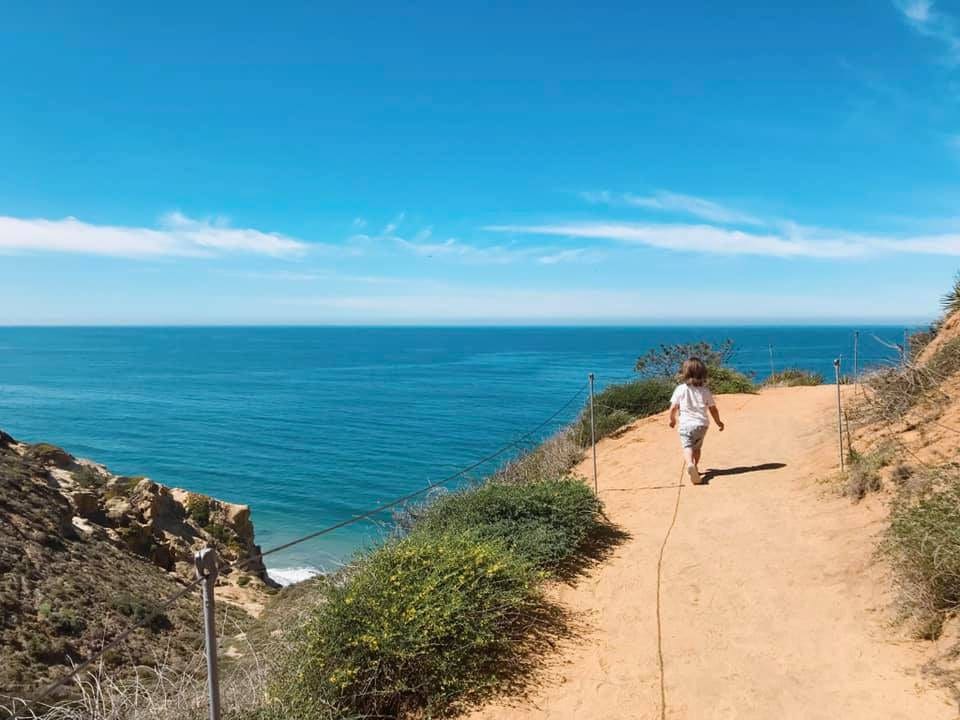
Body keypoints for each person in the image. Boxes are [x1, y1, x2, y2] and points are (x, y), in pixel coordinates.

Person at [668, 357, 724, 485]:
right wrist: (719, 422)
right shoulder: (705, 391)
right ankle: (696, 467)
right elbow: (713, 409)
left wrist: (672, 420)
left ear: (685, 372)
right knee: (697, 448)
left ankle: (689, 464)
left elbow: (673, 408)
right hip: (702, 424)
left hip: (685, 424)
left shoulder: (680, 389)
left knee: (687, 446)